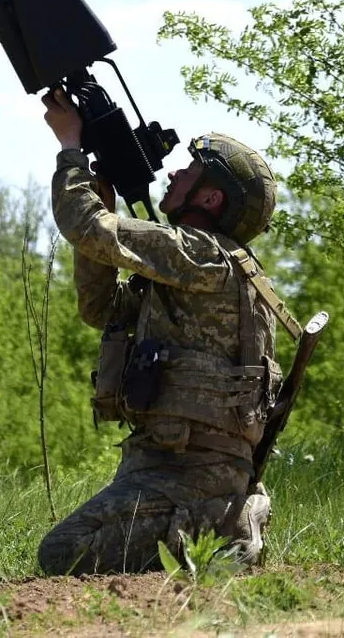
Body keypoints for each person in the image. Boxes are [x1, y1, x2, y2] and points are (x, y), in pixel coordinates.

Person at [36, 87, 296, 577]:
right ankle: (229, 518)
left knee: (62, 553)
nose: (174, 173)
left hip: (191, 472)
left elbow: (82, 223)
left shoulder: (202, 254)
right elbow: (102, 308)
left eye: (191, 172)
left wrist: (69, 148)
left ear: (211, 197)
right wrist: (104, 208)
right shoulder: (202, 266)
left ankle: (225, 532)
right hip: (166, 461)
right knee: (68, 550)